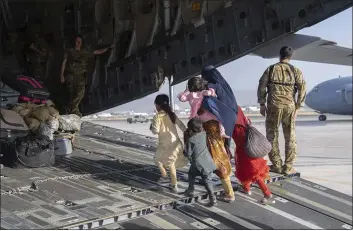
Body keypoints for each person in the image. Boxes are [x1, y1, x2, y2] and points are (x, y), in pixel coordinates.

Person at [257, 46, 306, 175]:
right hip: (289, 107)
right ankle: (288, 166)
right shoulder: (296, 71)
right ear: (290, 57)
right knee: (290, 136)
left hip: (274, 106)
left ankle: (277, 165)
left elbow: (262, 86)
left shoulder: (271, 69)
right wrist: (298, 106)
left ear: (280, 55)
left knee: (272, 136)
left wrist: (262, 104)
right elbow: (302, 88)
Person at [60, 35, 113, 117]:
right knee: (71, 95)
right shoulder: (69, 51)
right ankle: (74, 111)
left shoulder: (84, 52)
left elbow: (97, 52)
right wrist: (61, 76)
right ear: (74, 42)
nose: (78, 43)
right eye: (77, 41)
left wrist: (108, 48)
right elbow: (63, 63)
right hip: (70, 76)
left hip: (80, 77)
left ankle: (70, 109)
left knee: (80, 93)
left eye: (80, 41)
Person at [232, 106, 275, 204]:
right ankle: (246, 188)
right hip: (248, 149)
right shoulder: (239, 113)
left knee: (253, 172)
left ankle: (267, 194)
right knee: (245, 170)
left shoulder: (234, 125)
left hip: (244, 151)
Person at [150, 94, 188, 192]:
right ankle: (173, 184)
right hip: (176, 143)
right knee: (171, 163)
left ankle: (165, 177)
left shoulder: (157, 117)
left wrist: (152, 126)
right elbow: (182, 126)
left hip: (164, 144)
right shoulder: (171, 114)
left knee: (157, 159)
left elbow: (155, 131)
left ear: (158, 105)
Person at [200, 65, 238, 148]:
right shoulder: (223, 83)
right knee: (226, 143)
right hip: (232, 115)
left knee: (220, 145)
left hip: (224, 116)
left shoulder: (211, 85)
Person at [183, 117, 217, 207]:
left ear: (191, 129)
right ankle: (212, 198)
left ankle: (191, 190)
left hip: (198, 164)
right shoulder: (203, 134)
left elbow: (188, 153)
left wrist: (185, 145)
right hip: (208, 161)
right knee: (206, 179)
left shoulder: (191, 140)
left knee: (194, 175)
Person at [203, 119, 235, 202]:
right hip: (222, 153)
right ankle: (228, 193)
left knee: (222, 172)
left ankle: (230, 195)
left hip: (216, 155)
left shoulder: (209, 134)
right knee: (224, 172)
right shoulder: (220, 126)